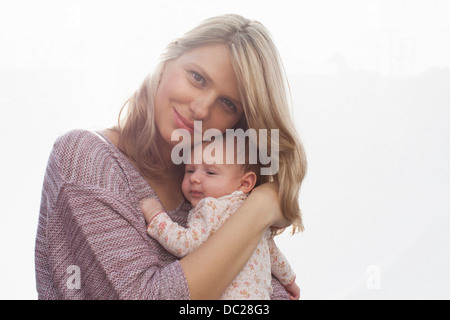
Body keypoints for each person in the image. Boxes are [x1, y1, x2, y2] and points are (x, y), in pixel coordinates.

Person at [35, 14, 307, 300]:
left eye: (227, 103)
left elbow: (266, 291)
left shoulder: (212, 191)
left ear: (237, 124)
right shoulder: (86, 158)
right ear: (165, 64)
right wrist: (262, 206)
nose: (201, 109)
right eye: (197, 78)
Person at [140, 140, 301, 300]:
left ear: (245, 183)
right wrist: (290, 281)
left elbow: (186, 244)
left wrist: (156, 217)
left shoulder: (211, 207)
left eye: (210, 172)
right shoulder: (254, 215)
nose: (195, 178)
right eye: (189, 170)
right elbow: (273, 255)